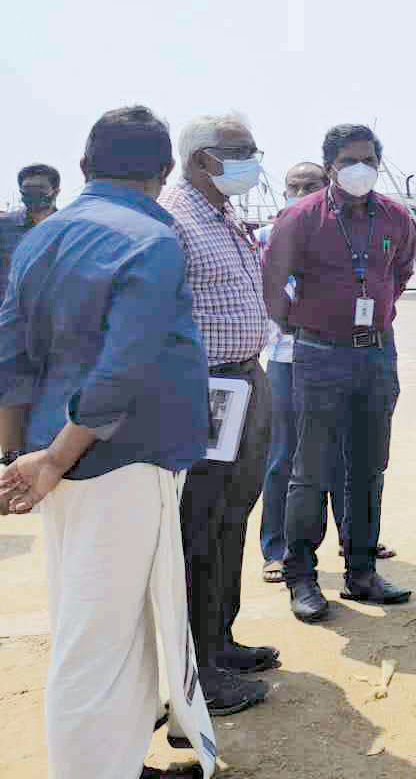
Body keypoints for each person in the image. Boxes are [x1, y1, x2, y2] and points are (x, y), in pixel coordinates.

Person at [0, 106, 219, 779]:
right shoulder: (151, 241)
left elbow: (11, 357)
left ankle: (116, 762)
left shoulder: (40, 238)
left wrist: (19, 459)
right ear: (161, 173)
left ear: (86, 167)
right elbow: (124, 368)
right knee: (97, 639)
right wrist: (56, 457)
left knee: (117, 624)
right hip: (117, 458)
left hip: (58, 459)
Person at [261, 124, 416, 622]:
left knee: (369, 467)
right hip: (319, 355)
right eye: (351, 159)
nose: (362, 168)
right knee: (310, 471)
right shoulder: (301, 217)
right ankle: (301, 577)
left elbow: (401, 272)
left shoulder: (395, 217)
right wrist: (303, 323)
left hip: (375, 355)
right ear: (330, 165)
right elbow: (271, 282)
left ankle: (362, 571)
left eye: (370, 159)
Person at [161, 114, 277, 713]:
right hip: (205, 391)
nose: (254, 160)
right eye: (242, 152)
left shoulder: (222, 213)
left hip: (244, 382)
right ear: (204, 159)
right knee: (199, 527)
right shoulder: (175, 220)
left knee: (232, 517)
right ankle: (198, 669)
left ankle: (220, 639)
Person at [0, 163, 60, 306]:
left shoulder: (68, 228)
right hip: (9, 314)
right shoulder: (3, 226)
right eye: (27, 189)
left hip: (52, 314)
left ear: (56, 192)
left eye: (40, 189)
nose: (33, 194)